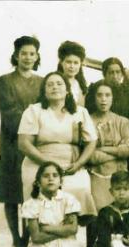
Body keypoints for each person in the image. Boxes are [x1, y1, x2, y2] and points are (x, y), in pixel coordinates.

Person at [18, 72, 98, 226]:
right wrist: (48, 164)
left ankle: (76, 236)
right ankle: (38, 234)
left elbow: (91, 142)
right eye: (50, 84)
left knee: (80, 188)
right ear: (44, 91)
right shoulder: (34, 111)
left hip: (71, 166)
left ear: (67, 90)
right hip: (39, 164)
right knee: (39, 196)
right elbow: (24, 144)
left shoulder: (80, 112)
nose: (55, 87)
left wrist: (79, 164)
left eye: (59, 84)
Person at [0, 35, 43, 247]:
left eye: (32, 53)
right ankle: (17, 241)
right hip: (12, 143)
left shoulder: (43, 81)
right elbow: (9, 112)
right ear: (16, 55)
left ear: (37, 56)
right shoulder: (5, 81)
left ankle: (29, 240)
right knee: (12, 195)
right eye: (23, 53)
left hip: (35, 143)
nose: (27, 57)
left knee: (31, 194)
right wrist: (33, 124)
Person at [21, 162, 84, 247]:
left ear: (60, 181)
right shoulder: (31, 204)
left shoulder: (69, 200)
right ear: (38, 182)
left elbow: (73, 229)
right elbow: (37, 237)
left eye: (55, 175)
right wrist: (62, 230)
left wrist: (47, 228)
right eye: (45, 176)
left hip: (66, 246)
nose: (50, 178)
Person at [88, 81, 129, 210]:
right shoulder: (88, 120)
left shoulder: (121, 121)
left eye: (107, 95)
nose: (103, 99)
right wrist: (118, 153)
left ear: (113, 98)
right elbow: (91, 157)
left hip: (121, 177)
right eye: (99, 95)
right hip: (97, 175)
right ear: (94, 98)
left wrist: (103, 149)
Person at [57, 40, 88, 107]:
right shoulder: (55, 82)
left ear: (80, 64)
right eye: (68, 62)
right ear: (61, 62)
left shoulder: (81, 86)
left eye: (76, 63)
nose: (72, 66)